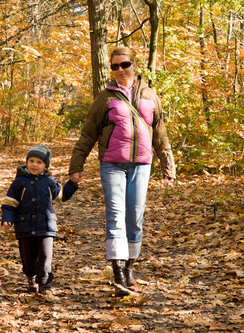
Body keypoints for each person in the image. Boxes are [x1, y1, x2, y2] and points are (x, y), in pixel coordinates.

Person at [68, 46, 176, 297]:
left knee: (135, 217)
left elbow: (159, 132)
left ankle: (129, 268)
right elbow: (88, 133)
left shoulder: (150, 94)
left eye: (124, 65)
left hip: (142, 164)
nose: (119, 70)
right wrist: (77, 166)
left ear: (133, 65)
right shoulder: (105, 97)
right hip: (112, 164)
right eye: (114, 66)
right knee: (116, 216)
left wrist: (167, 165)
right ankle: (118, 273)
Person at [1, 144, 78, 295]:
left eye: (39, 162)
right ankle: (31, 276)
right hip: (25, 227)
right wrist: (7, 219)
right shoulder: (19, 182)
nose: (34, 165)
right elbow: (10, 204)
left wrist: (73, 183)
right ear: (27, 162)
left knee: (45, 256)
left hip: (46, 226)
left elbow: (62, 195)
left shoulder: (49, 182)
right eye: (32, 161)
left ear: (45, 165)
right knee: (28, 258)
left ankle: (44, 285)